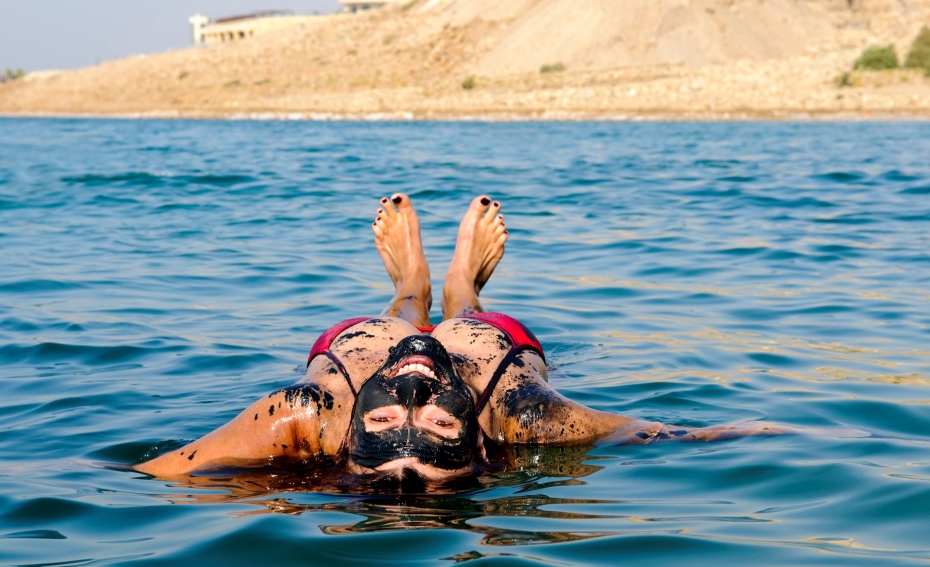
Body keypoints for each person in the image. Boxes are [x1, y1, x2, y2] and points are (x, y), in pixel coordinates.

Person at [135, 194, 787, 482]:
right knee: (467, 316)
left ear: (353, 431)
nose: (416, 377)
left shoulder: (303, 418)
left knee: (400, 314)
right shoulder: (527, 419)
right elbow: (679, 435)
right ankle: (464, 283)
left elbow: (154, 473)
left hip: (362, 344)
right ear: (478, 437)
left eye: (389, 408)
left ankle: (409, 281)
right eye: (441, 421)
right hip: (488, 349)